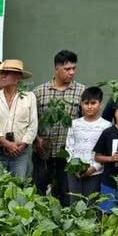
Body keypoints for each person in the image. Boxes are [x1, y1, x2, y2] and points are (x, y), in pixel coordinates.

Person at [33, 49, 84, 203]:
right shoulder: (39, 92)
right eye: (67, 69)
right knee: (39, 193)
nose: (71, 72)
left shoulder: (82, 91)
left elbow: (83, 122)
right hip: (43, 154)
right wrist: (37, 139)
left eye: (74, 68)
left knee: (67, 195)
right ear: (56, 69)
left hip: (67, 154)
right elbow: (31, 121)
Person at [0, 59, 38, 179]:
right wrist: (6, 143)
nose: (2, 76)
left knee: (18, 188)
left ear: (18, 77)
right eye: (2, 73)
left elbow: (33, 125)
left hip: (20, 153)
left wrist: (23, 145)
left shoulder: (29, 97)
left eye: (7, 73)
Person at [66, 86, 113, 201]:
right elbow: (69, 147)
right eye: (86, 103)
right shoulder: (74, 124)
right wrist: (75, 167)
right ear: (81, 104)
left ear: (100, 104)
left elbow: (106, 152)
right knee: (75, 204)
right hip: (74, 172)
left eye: (93, 103)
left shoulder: (106, 126)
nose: (90, 106)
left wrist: (93, 168)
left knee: (91, 205)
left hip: (95, 172)